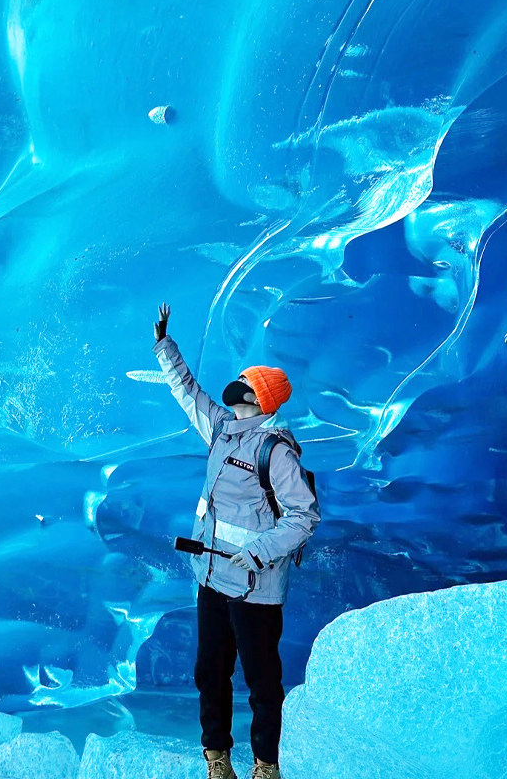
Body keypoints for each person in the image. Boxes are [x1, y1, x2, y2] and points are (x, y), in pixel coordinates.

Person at [151, 302, 320, 779]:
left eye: (248, 381)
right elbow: (187, 393)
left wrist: (257, 553)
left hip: (254, 587)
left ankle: (266, 766)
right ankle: (217, 759)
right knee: (210, 673)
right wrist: (165, 345)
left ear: (261, 395)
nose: (237, 384)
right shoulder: (223, 430)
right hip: (211, 578)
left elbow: (303, 516)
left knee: (263, 682)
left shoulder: (274, 450)